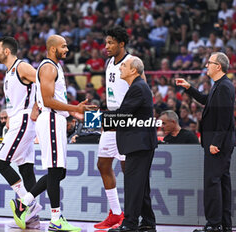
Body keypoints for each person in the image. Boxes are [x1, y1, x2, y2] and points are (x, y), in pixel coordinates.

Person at [10, 35, 95, 231]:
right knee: (55, 171)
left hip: (55, 119)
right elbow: (47, 101)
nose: (67, 49)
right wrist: (74, 108)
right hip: (50, 119)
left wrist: (72, 112)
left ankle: (24, 203)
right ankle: (55, 220)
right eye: (63, 46)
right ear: (52, 48)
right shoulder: (48, 67)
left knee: (59, 172)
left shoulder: (54, 66)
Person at [176, 52, 235, 232]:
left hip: (218, 143)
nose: (206, 65)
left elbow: (225, 118)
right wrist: (189, 87)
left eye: (209, 63)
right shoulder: (220, 85)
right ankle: (224, 225)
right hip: (220, 141)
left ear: (218, 66)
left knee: (212, 182)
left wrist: (216, 142)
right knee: (222, 183)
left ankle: (213, 224)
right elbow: (206, 101)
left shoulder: (224, 86)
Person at [0, 36, 41, 229]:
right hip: (19, 122)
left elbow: (44, 79)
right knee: (26, 169)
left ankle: (29, 205)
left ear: (6, 51)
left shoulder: (22, 67)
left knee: (1, 163)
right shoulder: (9, 72)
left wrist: (38, 104)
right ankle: (32, 218)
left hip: (24, 121)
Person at [106, 56, 157, 232]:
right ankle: (148, 222)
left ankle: (129, 223)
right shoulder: (137, 87)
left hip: (139, 144)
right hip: (140, 144)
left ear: (133, 70)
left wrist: (91, 119)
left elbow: (121, 115)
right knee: (140, 185)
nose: (120, 68)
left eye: (124, 66)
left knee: (134, 184)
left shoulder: (137, 88)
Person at [94, 26, 130, 230]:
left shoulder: (131, 62)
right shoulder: (109, 62)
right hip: (111, 120)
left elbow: (141, 91)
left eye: (110, 43)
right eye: (106, 42)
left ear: (121, 44)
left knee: (128, 169)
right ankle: (116, 213)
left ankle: (131, 216)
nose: (106, 46)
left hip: (125, 121)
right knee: (103, 164)